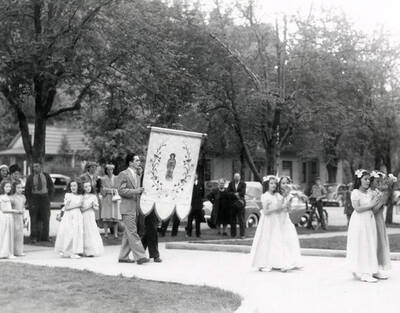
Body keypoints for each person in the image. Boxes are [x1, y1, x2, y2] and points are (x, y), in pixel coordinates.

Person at [250, 176, 301, 272]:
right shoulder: (265, 196)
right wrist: (279, 208)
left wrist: (286, 202)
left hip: (275, 221)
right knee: (266, 241)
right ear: (267, 185)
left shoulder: (277, 195)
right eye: (271, 183)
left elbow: (283, 204)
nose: (274, 185)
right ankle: (265, 262)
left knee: (276, 241)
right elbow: (266, 211)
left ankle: (279, 262)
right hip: (268, 221)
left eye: (275, 183)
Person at [347, 169, 382, 283]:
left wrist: (380, 201)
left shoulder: (370, 193)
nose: (368, 181)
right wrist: (371, 204)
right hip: (359, 221)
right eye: (365, 179)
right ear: (359, 180)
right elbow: (357, 208)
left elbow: (374, 209)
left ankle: (373, 269)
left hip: (369, 220)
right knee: (363, 244)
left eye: (369, 179)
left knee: (371, 243)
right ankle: (364, 272)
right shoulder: (355, 192)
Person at [117, 153, 149, 264]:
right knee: (133, 232)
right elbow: (121, 191)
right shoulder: (123, 174)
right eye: (136, 160)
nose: (139, 162)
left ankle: (123, 256)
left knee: (128, 233)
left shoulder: (137, 175)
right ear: (130, 162)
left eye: (139, 160)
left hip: (135, 208)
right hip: (127, 208)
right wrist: (136, 191)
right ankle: (140, 256)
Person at [136, 166, 162, 263]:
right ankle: (155, 255)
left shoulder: (157, 177)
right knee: (153, 229)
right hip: (147, 205)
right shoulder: (145, 177)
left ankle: (139, 252)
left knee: (150, 230)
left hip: (155, 204)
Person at [25, 162, 54, 243]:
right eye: (34, 167)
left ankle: (45, 237)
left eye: (37, 166)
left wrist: (49, 198)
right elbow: (27, 190)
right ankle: (34, 237)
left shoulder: (46, 176)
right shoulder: (30, 177)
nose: (35, 168)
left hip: (45, 198)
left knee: (46, 218)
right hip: (34, 198)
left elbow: (51, 187)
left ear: (41, 167)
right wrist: (30, 202)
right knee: (34, 219)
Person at [369, 171, 391, 279]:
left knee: (380, 244)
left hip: (380, 220)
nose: (379, 183)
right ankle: (373, 269)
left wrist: (384, 197)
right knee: (376, 243)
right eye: (377, 181)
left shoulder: (377, 192)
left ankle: (376, 268)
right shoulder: (371, 193)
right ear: (372, 181)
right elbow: (373, 210)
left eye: (380, 181)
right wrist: (381, 202)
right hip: (374, 221)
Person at [54, 180, 84, 259]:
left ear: (78, 186)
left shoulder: (80, 196)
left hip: (77, 216)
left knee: (76, 233)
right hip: (69, 216)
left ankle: (74, 251)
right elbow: (66, 208)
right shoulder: (68, 195)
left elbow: (82, 206)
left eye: (74, 186)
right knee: (68, 233)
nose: (73, 187)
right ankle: (65, 250)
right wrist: (77, 205)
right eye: (71, 186)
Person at [82, 181, 104, 257]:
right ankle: (83, 250)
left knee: (91, 231)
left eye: (89, 186)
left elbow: (97, 208)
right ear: (83, 188)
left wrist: (94, 206)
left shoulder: (94, 196)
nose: (88, 188)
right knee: (84, 231)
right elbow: (81, 209)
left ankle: (91, 250)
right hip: (84, 215)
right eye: (86, 187)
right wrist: (89, 206)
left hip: (91, 216)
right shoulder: (82, 197)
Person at [100, 164, 121, 239]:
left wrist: (112, 190)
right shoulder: (103, 179)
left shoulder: (116, 178)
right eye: (108, 169)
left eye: (111, 169)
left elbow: (118, 187)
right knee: (106, 217)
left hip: (114, 199)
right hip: (106, 199)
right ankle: (106, 234)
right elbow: (102, 189)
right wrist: (110, 190)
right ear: (106, 170)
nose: (110, 171)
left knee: (115, 218)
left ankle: (115, 234)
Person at [0, 180, 19, 259]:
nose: (9, 188)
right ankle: (4, 252)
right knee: (5, 234)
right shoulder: (2, 197)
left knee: (9, 234)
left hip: (9, 217)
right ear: (2, 187)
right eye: (6, 187)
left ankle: (9, 252)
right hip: (5, 217)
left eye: (9, 187)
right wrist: (14, 211)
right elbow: (4, 210)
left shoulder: (7, 196)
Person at [227, 173, 246, 238]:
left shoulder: (243, 184)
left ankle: (242, 234)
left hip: (240, 203)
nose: (236, 178)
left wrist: (238, 194)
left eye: (238, 177)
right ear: (233, 177)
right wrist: (234, 194)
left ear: (240, 177)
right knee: (233, 220)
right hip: (232, 204)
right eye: (235, 177)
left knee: (241, 219)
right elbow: (228, 192)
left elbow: (243, 192)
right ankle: (233, 234)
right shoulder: (230, 183)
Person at [11, 181, 26, 256]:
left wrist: (24, 216)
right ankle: (13, 251)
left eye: (21, 188)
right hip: (14, 217)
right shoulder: (12, 198)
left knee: (20, 234)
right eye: (18, 188)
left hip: (20, 217)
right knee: (15, 234)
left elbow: (23, 207)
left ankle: (19, 251)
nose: (20, 189)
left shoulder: (23, 197)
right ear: (14, 188)